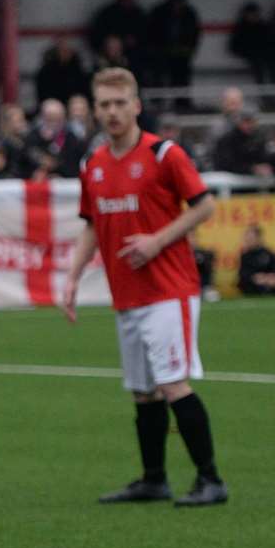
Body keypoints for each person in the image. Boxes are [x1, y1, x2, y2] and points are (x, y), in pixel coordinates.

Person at [62, 67, 225, 507]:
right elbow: (91, 225)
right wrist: (73, 277)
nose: (112, 112)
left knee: (173, 383)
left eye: (120, 103)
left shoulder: (164, 154)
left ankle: (210, 479)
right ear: (95, 110)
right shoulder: (92, 165)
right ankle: (154, 479)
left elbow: (205, 205)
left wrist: (158, 240)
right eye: (104, 105)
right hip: (127, 294)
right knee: (142, 389)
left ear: (136, 105)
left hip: (169, 290)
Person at [23, 98, 86, 178]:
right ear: (43, 117)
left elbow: (75, 163)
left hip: (65, 184)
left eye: (57, 117)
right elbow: (26, 157)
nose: (54, 121)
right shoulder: (32, 136)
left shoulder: (71, 138)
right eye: (50, 117)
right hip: (37, 184)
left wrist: (59, 170)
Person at [211, 106, 273, 176]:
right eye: (246, 121)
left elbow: (264, 159)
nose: (250, 125)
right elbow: (226, 165)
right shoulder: (227, 139)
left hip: (253, 180)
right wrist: (252, 169)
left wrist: (266, 167)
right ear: (238, 121)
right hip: (229, 182)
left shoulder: (259, 138)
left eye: (253, 121)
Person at [237, 224, 275, 295]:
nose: (248, 240)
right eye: (247, 238)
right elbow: (242, 275)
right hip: (254, 288)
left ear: (258, 238)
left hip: (271, 286)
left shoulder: (268, 253)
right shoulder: (245, 256)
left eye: (251, 238)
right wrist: (255, 277)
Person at [35, 38, 91, 110]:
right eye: (62, 50)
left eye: (67, 50)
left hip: (74, 105)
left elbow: (83, 90)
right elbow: (43, 94)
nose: (64, 53)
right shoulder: (47, 71)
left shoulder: (78, 70)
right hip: (53, 105)